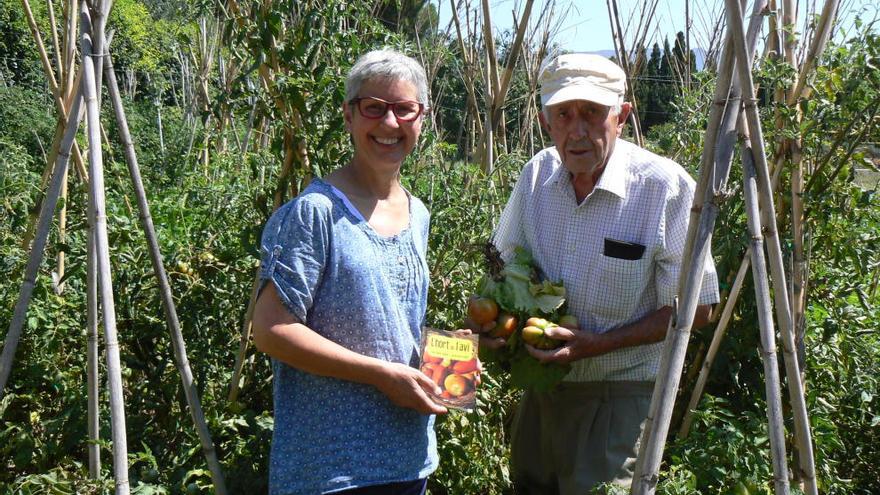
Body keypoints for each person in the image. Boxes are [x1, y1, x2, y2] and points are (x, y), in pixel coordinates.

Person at [485, 53, 720, 493]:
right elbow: (502, 265)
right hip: (540, 391)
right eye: (564, 115)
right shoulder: (536, 177)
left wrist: (598, 345)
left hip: (619, 396)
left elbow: (698, 308)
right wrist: (488, 324)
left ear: (622, 115)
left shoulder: (663, 188)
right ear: (545, 121)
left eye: (593, 113)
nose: (578, 130)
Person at [252, 48, 447, 495]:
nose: (389, 124)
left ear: (422, 117)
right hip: (330, 467)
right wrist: (381, 375)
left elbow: (394, 321)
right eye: (373, 108)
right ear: (349, 115)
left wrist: (444, 359)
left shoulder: (418, 213)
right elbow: (270, 330)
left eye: (404, 109)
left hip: (408, 458)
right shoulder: (314, 213)